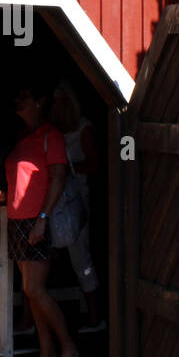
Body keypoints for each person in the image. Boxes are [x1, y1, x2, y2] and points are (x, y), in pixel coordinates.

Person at [0, 79, 85, 357]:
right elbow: (24, 182)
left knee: (34, 289)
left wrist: (42, 217)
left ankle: (69, 348)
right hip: (17, 220)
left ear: (39, 102)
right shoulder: (24, 138)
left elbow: (57, 178)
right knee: (30, 293)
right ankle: (46, 354)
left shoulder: (50, 137)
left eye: (25, 95)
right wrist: (5, 196)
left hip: (36, 221)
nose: (19, 100)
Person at [51, 80, 105, 332]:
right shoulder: (54, 131)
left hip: (76, 200)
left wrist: (67, 170)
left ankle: (95, 317)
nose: (56, 108)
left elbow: (95, 165)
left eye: (61, 102)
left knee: (80, 257)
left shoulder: (83, 129)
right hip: (54, 197)